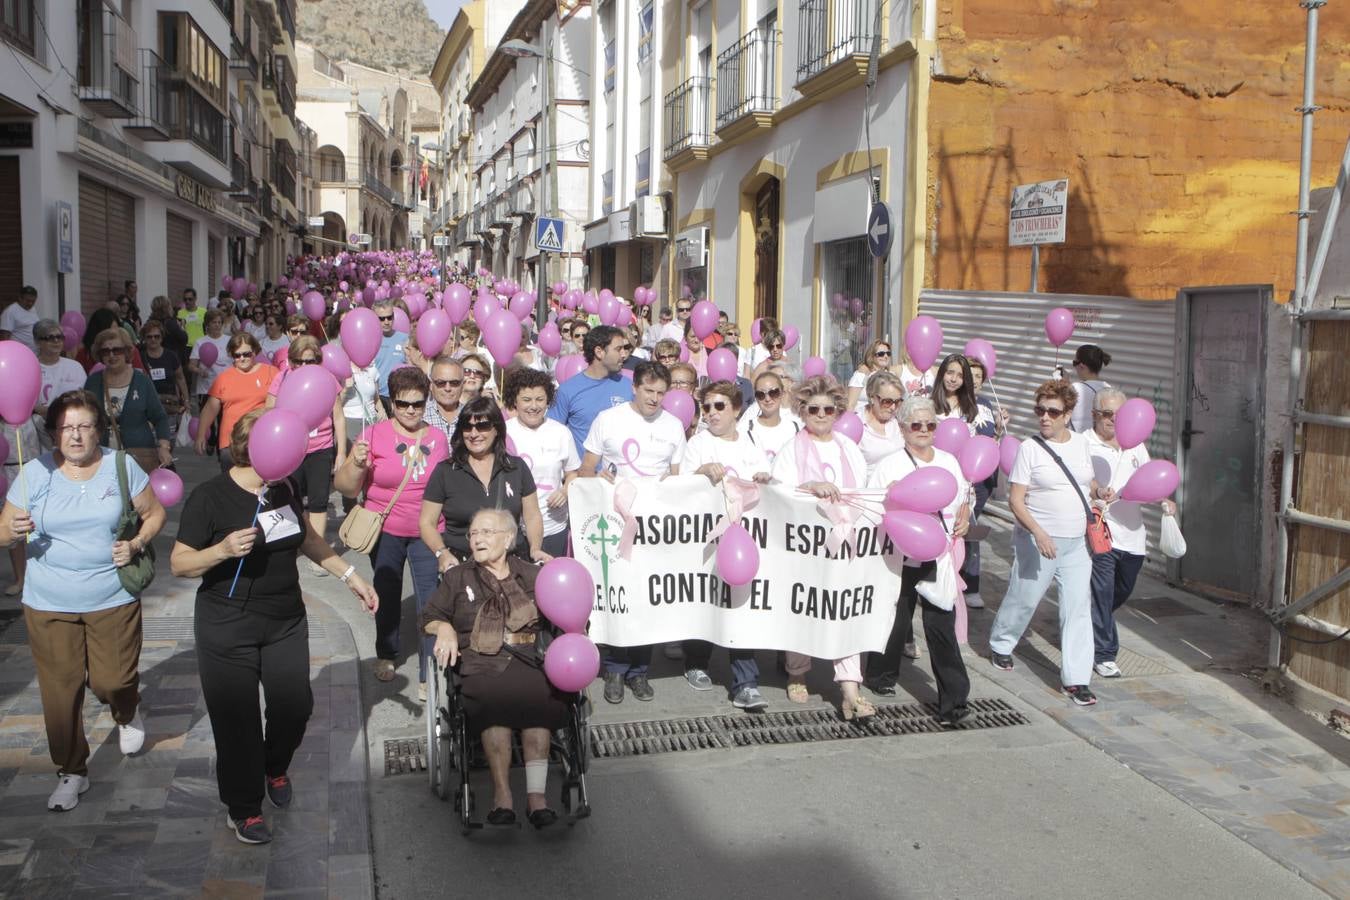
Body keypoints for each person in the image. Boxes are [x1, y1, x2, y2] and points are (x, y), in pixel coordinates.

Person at [171, 410, 378, 844]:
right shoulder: (211, 497)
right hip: (226, 626)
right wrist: (222, 550)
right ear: (252, 447)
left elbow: (306, 537)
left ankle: (274, 766)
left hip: (284, 619)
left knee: (294, 706)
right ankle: (243, 807)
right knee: (237, 722)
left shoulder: (285, 486)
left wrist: (351, 576)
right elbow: (179, 563)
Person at [0, 390, 166, 812]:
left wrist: (136, 543)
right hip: (48, 601)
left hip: (111, 595)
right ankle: (72, 770)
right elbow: (2, 532)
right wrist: (13, 530)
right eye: (66, 428)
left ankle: (126, 711)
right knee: (60, 692)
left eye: (84, 426)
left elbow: (155, 514)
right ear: (54, 432)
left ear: (98, 429)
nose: (75, 436)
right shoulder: (34, 472)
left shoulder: (120, 465)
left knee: (113, 679)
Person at [421, 508, 571, 828]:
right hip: (479, 662)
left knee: (541, 698)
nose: (477, 539)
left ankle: (536, 798)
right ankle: (502, 798)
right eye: (474, 534)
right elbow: (430, 616)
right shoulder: (457, 577)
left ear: (508, 538)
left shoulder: (531, 574)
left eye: (486, 532)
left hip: (528, 658)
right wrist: (444, 628)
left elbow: (562, 612)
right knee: (492, 701)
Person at [988, 380, 1106, 707]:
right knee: (1024, 598)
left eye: (1053, 412)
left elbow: (1087, 480)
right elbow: (1016, 500)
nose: (1044, 417)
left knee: (1077, 609)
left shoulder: (1081, 444)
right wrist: (1038, 533)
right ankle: (1001, 642)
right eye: (1040, 410)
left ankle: (1077, 680)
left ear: (1068, 415)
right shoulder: (1029, 449)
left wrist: (1098, 492)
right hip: (1037, 539)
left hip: (1077, 543)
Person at [334, 366, 448, 692]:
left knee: (431, 602)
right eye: (402, 403)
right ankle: (386, 652)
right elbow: (344, 487)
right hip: (385, 531)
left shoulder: (438, 439)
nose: (411, 410)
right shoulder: (373, 435)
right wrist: (356, 463)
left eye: (418, 403)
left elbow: (445, 486)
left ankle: (430, 668)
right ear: (392, 403)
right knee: (386, 593)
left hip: (428, 531)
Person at [864, 396, 973, 726]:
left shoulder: (949, 461)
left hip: (939, 556)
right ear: (902, 428)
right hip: (901, 555)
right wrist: (892, 494)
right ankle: (882, 674)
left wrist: (965, 517)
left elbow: (964, 495)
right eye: (916, 425)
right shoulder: (889, 465)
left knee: (940, 628)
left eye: (930, 425)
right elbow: (872, 508)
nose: (924, 430)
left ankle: (954, 703)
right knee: (895, 618)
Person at [769, 376, 873, 718]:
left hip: (846, 547)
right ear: (803, 411)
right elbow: (778, 494)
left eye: (829, 409)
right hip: (804, 547)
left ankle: (849, 689)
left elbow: (865, 491)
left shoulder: (849, 448)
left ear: (838, 411)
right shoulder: (791, 449)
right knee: (804, 607)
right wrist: (809, 485)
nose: (821, 414)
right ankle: (797, 672)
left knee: (846, 610)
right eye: (814, 409)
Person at [582, 361, 686, 703]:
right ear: (635, 388)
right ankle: (614, 668)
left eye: (661, 393)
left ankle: (640, 672)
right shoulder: (607, 421)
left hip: (655, 528)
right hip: (614, 523)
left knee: (649, 598)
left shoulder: (673, 426)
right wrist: (597, 479)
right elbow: (586, 469)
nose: (655, 399)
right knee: (619, 596)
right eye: (648, 391)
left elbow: (677, 479)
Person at [680, 380, 771, 711]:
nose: (711, 413)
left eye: (719, 406)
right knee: (704, 600)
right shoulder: (698, 444)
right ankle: (696, 660)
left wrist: (764, 480)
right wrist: (701, 471)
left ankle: (745, 683)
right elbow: (680, 488)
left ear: (737, 410)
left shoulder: (751, 446)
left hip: (743, 541)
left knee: (740, 607)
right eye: (706, 407)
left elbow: (769, 485)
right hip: (706, 538)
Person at [1085, 388, 1177, 678]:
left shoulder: (1136, 445)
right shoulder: (1084, 444)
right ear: (1094, 415)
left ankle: (1086, 624)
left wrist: (1164, 499)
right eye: (1107, 414)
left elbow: (1148, 479)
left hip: (1133, 535)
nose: (1113, 420)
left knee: (1120, 591)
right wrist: (1098, 491)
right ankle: (1104, 654)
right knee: (1102, 592)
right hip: (1100, 531)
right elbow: (1082, 479)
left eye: (1119, 414)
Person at [421, 397, 548, 572]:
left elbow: (532, 515)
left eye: (482, 426)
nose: (474, 434)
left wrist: (535, 549)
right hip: (462, 566)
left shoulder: (516, 467)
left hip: (511, 564)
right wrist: (441, 553)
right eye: (467, 426)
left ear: (496, 429)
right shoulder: (445, 471)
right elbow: (427, 522)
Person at [264, 337, 346, 565]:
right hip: (290, 449)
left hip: (321, 448)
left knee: (319, 501)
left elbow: (338, 416)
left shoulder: (327, 379)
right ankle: (288, 547)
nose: (303, 366)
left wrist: (341, 453)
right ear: (290, 361)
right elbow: (268, 411)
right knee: (288, 499)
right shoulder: (282, 378)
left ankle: (318, 553)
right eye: (298, 361)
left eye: (309, 361)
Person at [504, 367, 580, 559]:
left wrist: (564, 491)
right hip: (511, 528)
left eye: (540, 399)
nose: (534, 406)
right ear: (515, 401)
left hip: (553, 525)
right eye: (527, 400)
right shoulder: (503, 432)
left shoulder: (561, 432)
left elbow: (572, 473)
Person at [84, 328, 173, 472]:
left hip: (138, 456)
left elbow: (160, 417)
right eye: (105, 352)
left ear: (126, 352)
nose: (111, 355)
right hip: (101, 457)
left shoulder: (142, 381)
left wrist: (163, 447)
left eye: (117, 350)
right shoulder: (93, 382)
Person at [548, 325, 634, 461]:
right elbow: (552, 434)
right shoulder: (567, 390)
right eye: (618, 349)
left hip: (623, 476)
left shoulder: (630, 385)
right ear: (599, 352)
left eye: (625, 349)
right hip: (585, 477)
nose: (624, 354)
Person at [196, 332, 277, 471]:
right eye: (237, 355)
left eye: (246, 354)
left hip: (261, 439)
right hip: (230, 442)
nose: (242, 358)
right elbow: (211, 407)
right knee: (231, 487)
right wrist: (201, 434)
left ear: (255, 352)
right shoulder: (224, 378)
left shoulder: (271, 372)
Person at [1, 414, 38, 596]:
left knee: (36, 526)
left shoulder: (34, 419)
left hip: (33, 471)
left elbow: (48, 442)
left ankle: (39, 576)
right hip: (7, 473)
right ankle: (20, 579)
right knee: (13, 529)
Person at [33, 319, 89, 432]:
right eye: (50, 338)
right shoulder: (29, 367)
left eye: (59, 337)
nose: (56, 341)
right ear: (38, 342)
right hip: (37, 429)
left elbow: (86, 397)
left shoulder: (75, 367)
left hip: (71, 426)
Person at [138, 320, 190, 435]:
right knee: (151, 440)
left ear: (162, 338)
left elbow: (180, 378)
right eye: (149, 337)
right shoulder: (140, 357)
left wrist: (186, 400)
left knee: (169, 440)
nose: (153, 339)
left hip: (169, 404)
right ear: (145, 339)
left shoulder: (171, 356)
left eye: (157, 336)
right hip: (148, 405)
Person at [743, 371, 801, 462]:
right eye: (761, 394)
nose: (767, 399)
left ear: (782, 393)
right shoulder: (744, 429)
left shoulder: (796, 429)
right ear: (756, 398)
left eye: (773, 392)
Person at [859, 370, 905, 475]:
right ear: (872, 397)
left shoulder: (898, 422)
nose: (893, 407)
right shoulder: (857, 425)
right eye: (887, 402)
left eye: (897, 402)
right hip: (871, 488)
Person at [188, 309, 231, 404]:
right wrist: (200, 371)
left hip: (226, 389)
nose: (217, 325)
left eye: (219, 322)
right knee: (206, 419)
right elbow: (191, 365)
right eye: (214, 322)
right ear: (207, 324)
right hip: (206, 389)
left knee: (224, 419)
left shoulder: (230, 341)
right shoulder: (200, 342)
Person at [371, 300, 407, 408]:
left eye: (389, 317)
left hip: (400, 396)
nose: (386, 322)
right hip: (377, 397)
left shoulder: (405, 338)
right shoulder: (369, 341)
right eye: (381, 319)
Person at [1069, 344, 1112, 432]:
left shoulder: (1074, 388)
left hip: (1077, 441)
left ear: (1081, 365)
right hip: (1098, 441)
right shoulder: (1109, 389)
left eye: (1075, 363)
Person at [424, 355, 466, 441]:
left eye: (454, 383)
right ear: (431, 386)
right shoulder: (420, 416)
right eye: (441, 383)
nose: (447, 388)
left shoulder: (471, 415)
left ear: (463, 385)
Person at [846, 340, 895, 413]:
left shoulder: (891, 376)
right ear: (872, 356)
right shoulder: (861, 375)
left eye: (888, 353)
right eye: (881, 354)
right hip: (862, 418)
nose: (885, 356)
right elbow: (850, 404)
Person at [149, 295, 190, 366]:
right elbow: (184, 339)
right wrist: (182, 327)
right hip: (171, 360)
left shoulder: (150, 323)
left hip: (154, 357)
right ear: (166, 308)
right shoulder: (170, 323)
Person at [1, 285, 40, 351]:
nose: (30, 303)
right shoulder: (10, 311)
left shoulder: (32, 309)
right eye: (27, 300)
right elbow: (5, 336)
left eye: (33, 301)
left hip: (33, 351)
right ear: (20, 298)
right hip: (18, 351)